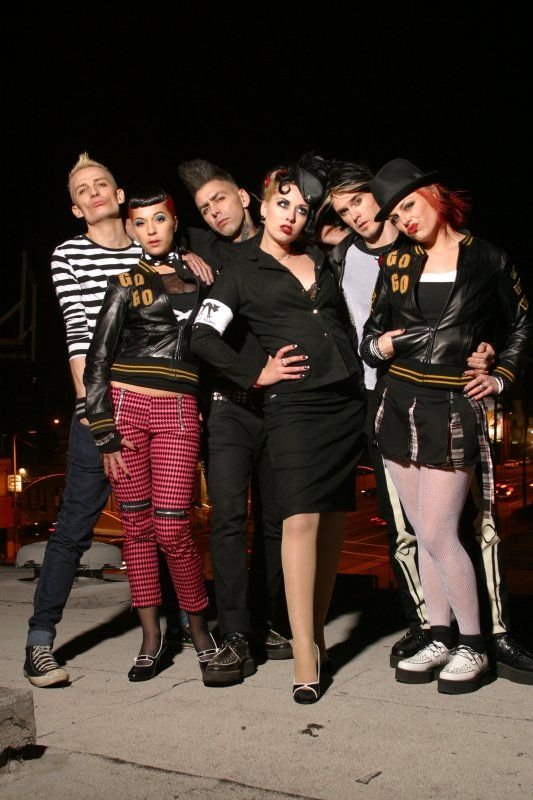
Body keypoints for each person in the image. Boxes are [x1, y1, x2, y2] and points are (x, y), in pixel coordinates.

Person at [320, 160, 533, 687]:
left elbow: (522, 323)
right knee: (421, 531)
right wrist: (383, 345)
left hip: (452, 404)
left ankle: (474, 644)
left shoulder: (487, 258)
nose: (405, 220)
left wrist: (501, 375)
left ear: (434, 195)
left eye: (409, 206)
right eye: (396, 214)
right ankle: (440, 635)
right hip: (396, 402)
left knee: (440, 531)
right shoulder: (397, 260)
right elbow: (370, 338)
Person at [191, 155, 367, 703]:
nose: (291, 215)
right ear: (262, 207)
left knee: (332, 525)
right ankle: (304, 654)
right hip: (293, 407)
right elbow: (201, 336)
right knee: (300, 521)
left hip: (345, 403)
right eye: (282, 204)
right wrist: (255, 372)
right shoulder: (240, 270)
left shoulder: (321, 258)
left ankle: (315, 635)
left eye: (301, 209)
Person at [22, 153, 200, 688]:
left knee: (162, 523)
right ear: (77, 208)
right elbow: (81, 336)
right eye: (83, 189)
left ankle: (183, 626)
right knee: (75, 526)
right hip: (103, 409)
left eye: (101, 183)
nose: (94, 191)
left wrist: (190, 261)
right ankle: (39, 643)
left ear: (120, 196)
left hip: (160, 404)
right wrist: (94, 418)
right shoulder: (68, 254)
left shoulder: (155, 245)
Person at [84, 187, 217, 681]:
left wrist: (194, 260)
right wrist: (103, 430)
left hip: (180, 411)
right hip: (126, 410)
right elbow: (98, 357)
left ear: (174, 221)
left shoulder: (203, 277)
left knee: (173, 526)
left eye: (159, 219)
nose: (150, 229)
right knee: (136, 528)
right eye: (140, 222)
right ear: (131, 229)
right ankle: (151, 638)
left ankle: (199, 631)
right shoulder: (124, 283)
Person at [177, 159, 292, 686]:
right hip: (228, 403)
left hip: (282, 406)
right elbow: (146, 237)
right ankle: (236, 634)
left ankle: (267, 622)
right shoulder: (203, 247)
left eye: (220, 199)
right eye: (204, 208)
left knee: (276, 522)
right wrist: (179, 255)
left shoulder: (282, 242)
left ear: (245, 197)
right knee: (226, 517)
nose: (214, 212)